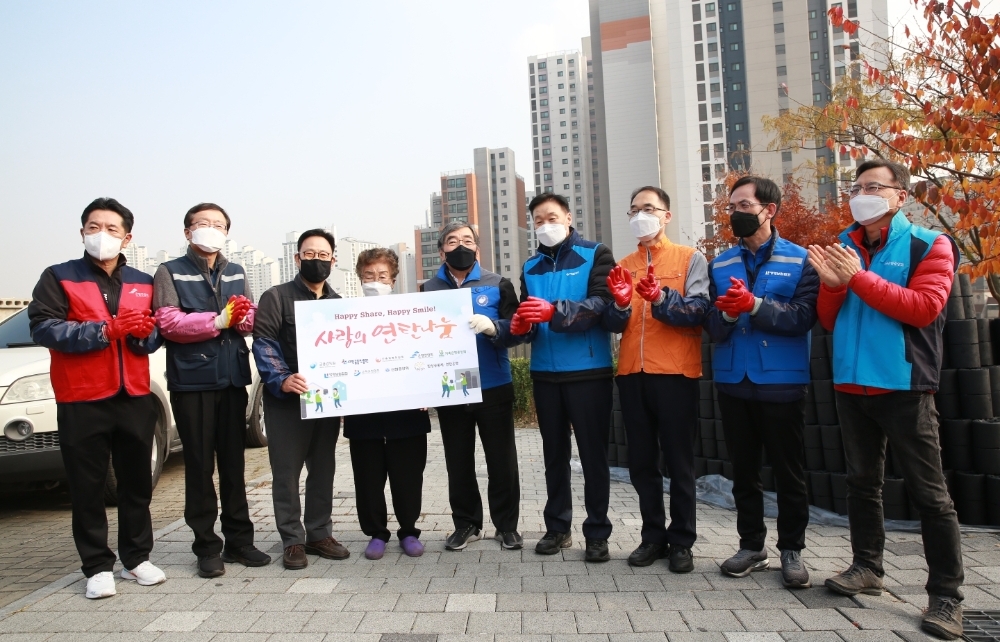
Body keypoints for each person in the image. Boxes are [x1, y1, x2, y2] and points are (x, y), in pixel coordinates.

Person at [807, 159, 963, 640]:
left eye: (874, 186)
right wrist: (833, 286)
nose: (862, 194)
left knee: (930, 494)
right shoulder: (846, 244)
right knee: (861, 483)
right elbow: (830, 318)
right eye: (856, 187)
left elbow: (924, 308)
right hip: (851, 384)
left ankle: (946, 596)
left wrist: (857, 279)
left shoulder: (929, 244)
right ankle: (867, 567)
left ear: (901, 196)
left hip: (904, 384)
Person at [28, 198, 166, 599]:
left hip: (134, 394)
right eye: (93, 227)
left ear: (127, 237)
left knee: (136, 483)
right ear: (82, 232)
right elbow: (44, 327)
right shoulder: (59, 276)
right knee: (87, 486)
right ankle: (96, 566)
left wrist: (144, 334)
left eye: (110, 228)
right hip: (82, 397)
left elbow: (154, 333)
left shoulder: (143, 281)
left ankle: (136, 558)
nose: (101, 234)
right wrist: (104, 331)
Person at [702, 177, 817, 587]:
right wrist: (728, 314)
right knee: (744, 471)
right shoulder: (720, 264)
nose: (736, 213)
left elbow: (803, 317)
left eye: (745, 205)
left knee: (789, 471)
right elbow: (712, 325)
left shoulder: (801, 260)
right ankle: (751, 545)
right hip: (734, 380)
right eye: (732, 206)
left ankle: (792, 549)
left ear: (770, 210)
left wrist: (755, 305)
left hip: (781, 382)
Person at [494, 193, 616, 562]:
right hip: (545, 373)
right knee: (553, 455)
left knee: (593, 455)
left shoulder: (595, 254)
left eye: (552, 217)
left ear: (568, 217)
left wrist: (555, 311)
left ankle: (597, 532)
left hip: (588, 370)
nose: (545, 225)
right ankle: (558, 527)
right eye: (538, 220)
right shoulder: (530, 267)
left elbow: (601, 304)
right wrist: (522, 326)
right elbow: (528, 318)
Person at [152, 203, 271, 578]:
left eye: (218, 224)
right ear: (187, 232)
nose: (211, 229)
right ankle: (206, 546)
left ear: (227, 232)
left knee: (234, 466)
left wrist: (249, 317)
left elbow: (247, 319)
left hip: (233, 380)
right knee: (200, 467)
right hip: (193, 383)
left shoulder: (236, 271)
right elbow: (167, 322)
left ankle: (240, 541)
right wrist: (218, 320)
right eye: (203, 223)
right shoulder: (170, 271)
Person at [602, 186, 710, 573]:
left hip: (676, 372)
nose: (640, 215)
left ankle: (681, 541)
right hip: (633, 372)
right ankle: (652, 537)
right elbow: (614, 323)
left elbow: (699, 310)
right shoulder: (624, 265)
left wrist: (662, 298)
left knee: (679, 462)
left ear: (666, 215)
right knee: (642, 462)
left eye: (648, 208)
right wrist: (619, 303)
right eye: (634, 210)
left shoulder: (690, 258)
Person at [421, 222, 523, 551]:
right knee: (458, 461)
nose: (460, 246)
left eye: (467, 240)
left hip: (493, 385)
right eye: (452, 241)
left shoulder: (498, 283)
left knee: (502, 461)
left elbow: (518, 329)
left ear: (477, 249)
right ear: (442, 251)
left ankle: (506, 526)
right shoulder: (427, 290)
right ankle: (467, 523)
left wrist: (495, 328)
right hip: (451, 388)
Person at [252, 229, 349, 569]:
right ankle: (292, 540)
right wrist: (281, 378)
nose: (316, 260)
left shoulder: (339, 304)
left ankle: (319, 533)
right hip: (286, 401)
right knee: (286, 473)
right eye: (309, 254)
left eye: (323, 255)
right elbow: (263, 342)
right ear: (297, 258)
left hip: (324, 401)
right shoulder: (276, 297)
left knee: (323, 469)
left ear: (333, 260)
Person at [346, 248, 430, 560]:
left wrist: (430, 391)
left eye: (382, 276)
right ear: (360, 279)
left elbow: (429, 354)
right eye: (369, 275)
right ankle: (376, 533)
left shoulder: (413, 314)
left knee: (408, 477)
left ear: (393, 281)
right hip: (363, 414)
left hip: (407, 413)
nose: (375, 281)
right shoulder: (345, 317)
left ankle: (408, 531)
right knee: (367, 479)